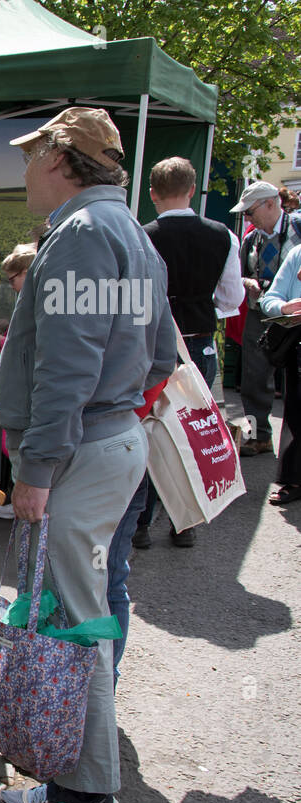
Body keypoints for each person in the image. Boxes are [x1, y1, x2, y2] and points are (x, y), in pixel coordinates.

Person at [0, 107, 177, 803]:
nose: (26, 169)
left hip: (78, 453)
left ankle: (84, 790)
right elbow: (161, 353)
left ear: (62, 161)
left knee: (74, 621)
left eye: (33, 155)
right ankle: (77, 768)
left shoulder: (78, 233)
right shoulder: (132, 232)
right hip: (113, 439)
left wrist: (35, 469)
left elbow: (66, 369)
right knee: (82, 611)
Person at [129, 157, 245, 548]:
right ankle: (185, 521)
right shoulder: (223, 235)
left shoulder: (141, 236)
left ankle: (140, 522)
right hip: (198, 342)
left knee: (148, 429)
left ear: (152, 193)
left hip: (150, 345)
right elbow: (232, 298)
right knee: (191, 432)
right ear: (193, 190)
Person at [235, 181, 301, 458]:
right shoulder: (251, 238)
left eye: (250, 212)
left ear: (271, 204)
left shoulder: (298, 228)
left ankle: (294, 449)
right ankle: (255, 436)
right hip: (261, 312)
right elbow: (237, 273)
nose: (247, 219)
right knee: (252, 379)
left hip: (296, 315)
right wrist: (249, 282)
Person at [0, 244, 36, 520]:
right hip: (19, 395)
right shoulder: (29, 300)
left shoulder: (34, 301)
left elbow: (23, 347)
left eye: (12, 279)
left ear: (26, 272)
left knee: (18, 448)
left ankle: (22, 503)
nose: (11, 286)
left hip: (23, 397)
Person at [258, 243, 301, 505]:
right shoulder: (297, 254)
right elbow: (270, 299)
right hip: (298, 347)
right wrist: (285, 308)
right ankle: (294, 480)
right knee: (297, 414)